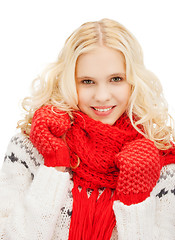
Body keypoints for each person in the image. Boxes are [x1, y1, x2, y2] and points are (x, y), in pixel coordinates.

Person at [0, 18, 175, 240]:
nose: (102, 96)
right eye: (87, 81)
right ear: (67, 81)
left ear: (134, 81)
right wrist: (54, 167)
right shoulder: (30, 146)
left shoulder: (161, 160)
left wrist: (136, 199)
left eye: (116, 79)